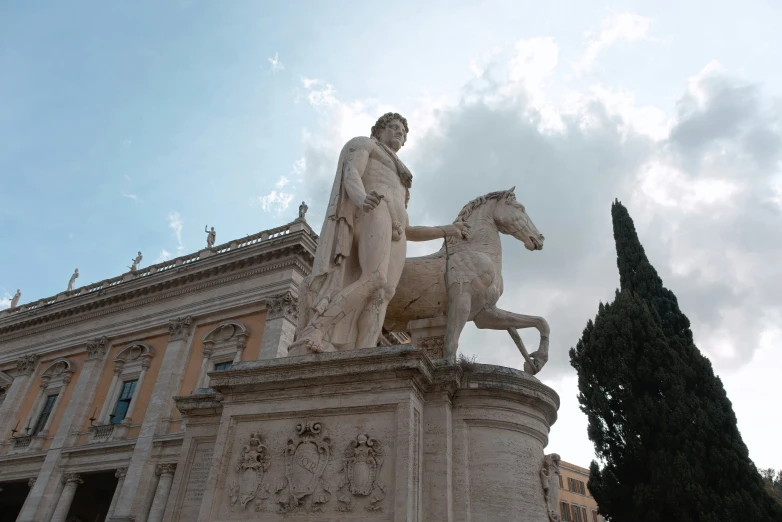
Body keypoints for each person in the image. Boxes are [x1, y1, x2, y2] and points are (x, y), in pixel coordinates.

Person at [290, 113, 470, 355]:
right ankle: (316, 329)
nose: (400, 134)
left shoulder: (403, 177)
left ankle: (362, 353)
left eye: (404, 132)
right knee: (375, 277)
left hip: (397, 228)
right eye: (394, 127)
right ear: (379, 129)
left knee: (383, 292)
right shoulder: (366, 144)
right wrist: (362, 199)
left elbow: (409, 229)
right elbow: (351, 173)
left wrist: (446, 231)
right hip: (374, 208)